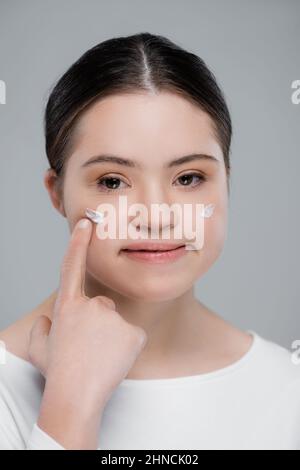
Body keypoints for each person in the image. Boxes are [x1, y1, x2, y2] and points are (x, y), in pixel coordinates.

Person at [0, 32, 299, 450]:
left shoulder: (289, 389)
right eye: (112, 181)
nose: (157, 215)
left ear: (226, 184)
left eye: (189, 178)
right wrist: (69, 408)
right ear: (57, 193)